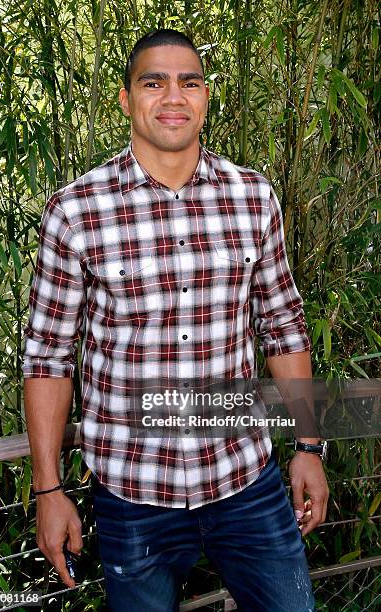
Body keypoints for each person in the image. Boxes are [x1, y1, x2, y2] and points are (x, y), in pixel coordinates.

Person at [22, 29, 329, 611]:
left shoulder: (253, 197)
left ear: (205, 96)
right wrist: (48, 487)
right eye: (153, 81)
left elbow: (283, 325)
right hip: (132, 495)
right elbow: (47, 355)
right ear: (125, 99)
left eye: (188, 81)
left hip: (245, 480)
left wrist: (308, 444)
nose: (172, 95)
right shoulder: (77, 212)